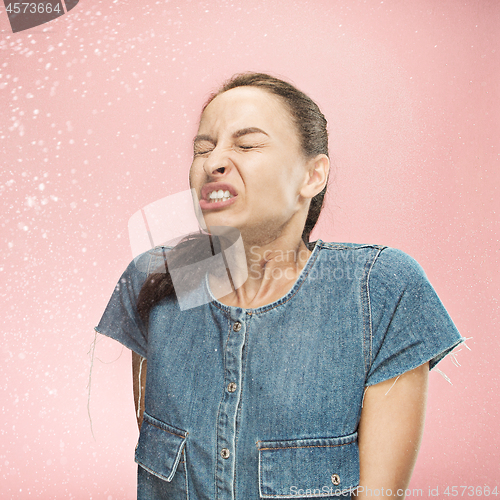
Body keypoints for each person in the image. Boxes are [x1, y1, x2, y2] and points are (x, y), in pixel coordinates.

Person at [95, 73, 465, 500]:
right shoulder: (155, 279)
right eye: (202, 148)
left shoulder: (378, 289)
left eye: (247, 144)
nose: (212, 162)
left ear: (313, 175)